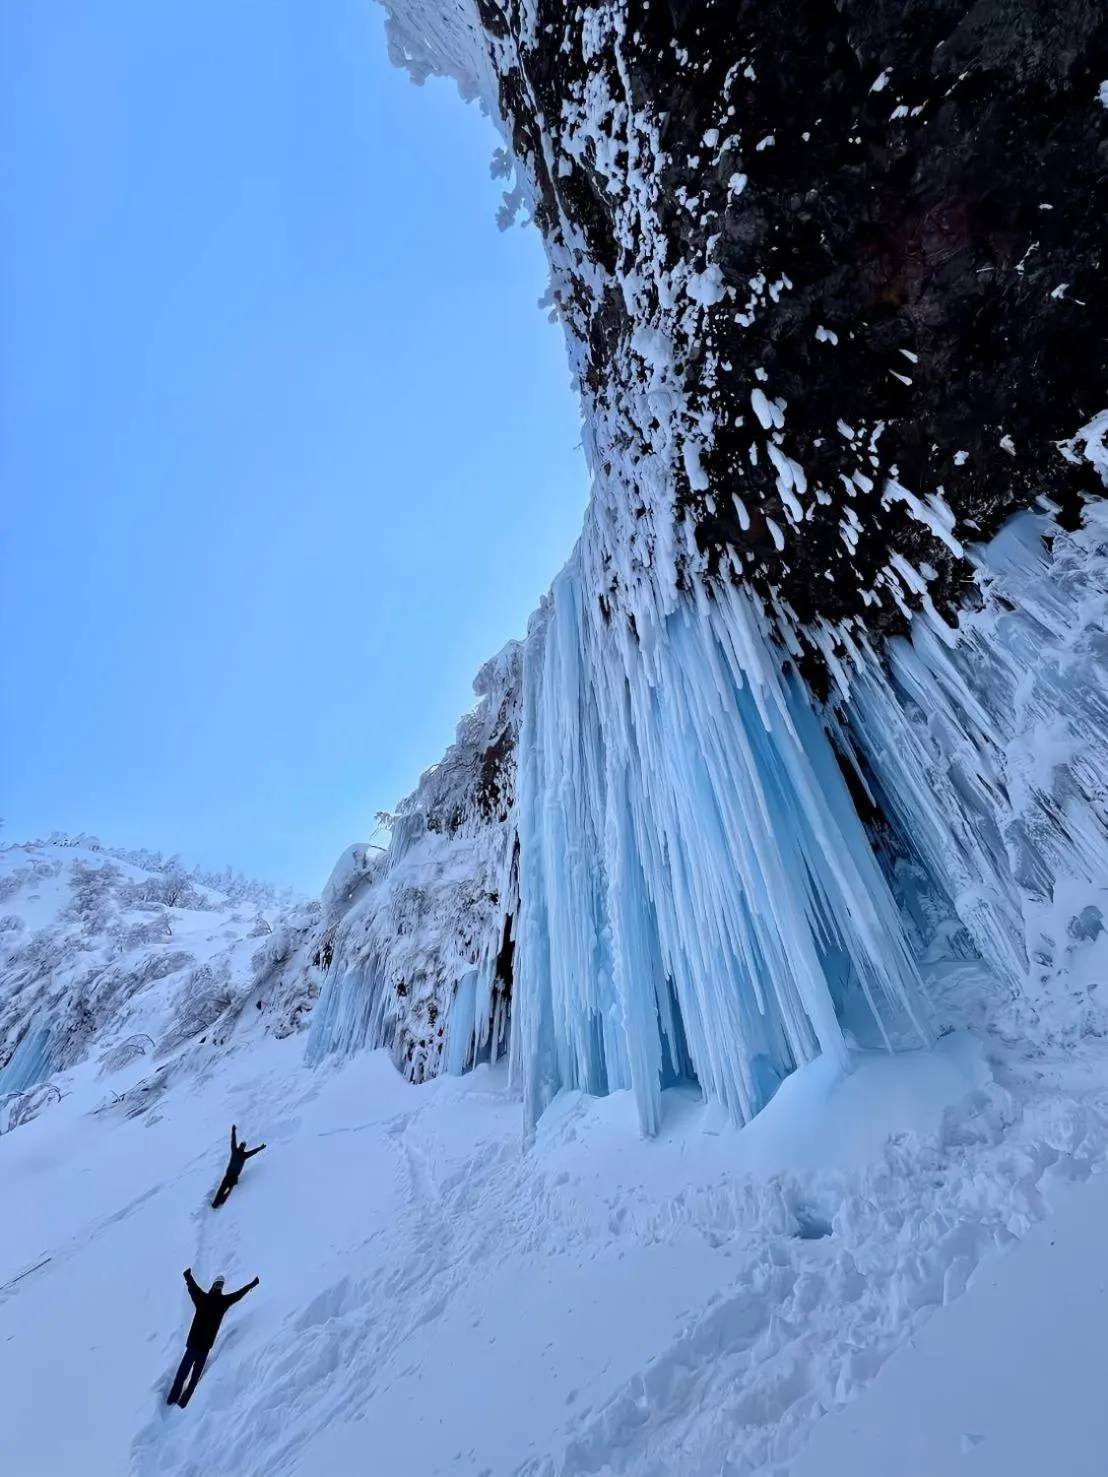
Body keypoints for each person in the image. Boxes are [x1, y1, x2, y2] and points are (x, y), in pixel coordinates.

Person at [167, 1268, 259, 1407]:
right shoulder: (213, 1301)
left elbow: (237, 1294)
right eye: (218, 1284)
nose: (219, 1287)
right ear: (216, 1285)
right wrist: (188, 1276)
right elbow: (194, 1288)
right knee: (187, 1377)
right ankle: (177, 1402)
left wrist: (251, 1285)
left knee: (188, 1377)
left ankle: (178, 1404)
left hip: (199, 1347)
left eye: (220, 1284)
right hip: (198, 1347)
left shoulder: (213, 1300)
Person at [211, 1124, 266, 1208]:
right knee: (223, 1188)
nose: (242, 1147)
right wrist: (233, 1131)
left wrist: (260, 1148)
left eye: (243, 1146)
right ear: (240, 1146)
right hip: (230, 1174)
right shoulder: (236, 1151)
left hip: (234, 1176)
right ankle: (216, 1203)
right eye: (241, 1146)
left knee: (229, 1190)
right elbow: (233, 1140)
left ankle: (221, 1201)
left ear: (244, 1148)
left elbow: (253, 1152)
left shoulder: (244, 1155)